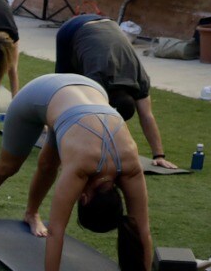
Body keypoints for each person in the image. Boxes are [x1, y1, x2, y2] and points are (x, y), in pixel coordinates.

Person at [0, 74, 152, 271]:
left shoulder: (131, 167)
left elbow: (141, 228)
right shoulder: (82, 166)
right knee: (8, 165)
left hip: (88, 93)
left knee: (48, 164)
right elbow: (56, 231)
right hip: (39, 95)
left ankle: (31, 213)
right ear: (83, 198)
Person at [55, 15, 175, 167]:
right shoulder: (96, 81)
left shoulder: (140, 81)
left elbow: (147, 116)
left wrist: (159, 155)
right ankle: (52, 133)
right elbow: (87, 116)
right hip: (71, 29)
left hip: (108, 24)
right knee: (64, 88)